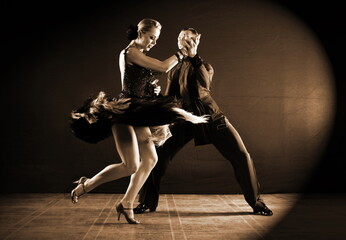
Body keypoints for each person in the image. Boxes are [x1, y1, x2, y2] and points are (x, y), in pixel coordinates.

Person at [69, 19, 208, 224]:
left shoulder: (139, 54)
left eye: (156, 39)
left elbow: (140, 82)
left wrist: (152, 90)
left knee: (151, 160)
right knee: (131, 165)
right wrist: (182, 52)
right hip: (125, 113)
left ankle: (126, 203)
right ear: (140, 33)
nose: (153, 42)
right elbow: (162, 66)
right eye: (151, 37)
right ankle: (85, 186)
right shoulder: (130, 52)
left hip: (139, 112)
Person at [134, 28, 273, 216]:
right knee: (156, 155)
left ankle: (257, 204)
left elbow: (204, 85)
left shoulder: (205, 66)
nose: (183, 40)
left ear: (196, 41)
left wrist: (194, 56)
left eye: (188, 38)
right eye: (180, 37)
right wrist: (156, 98)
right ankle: (146, 203)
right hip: (184, 120)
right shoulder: (173, 69)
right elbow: (169, 98)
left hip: (211, 118)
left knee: (242, 156)